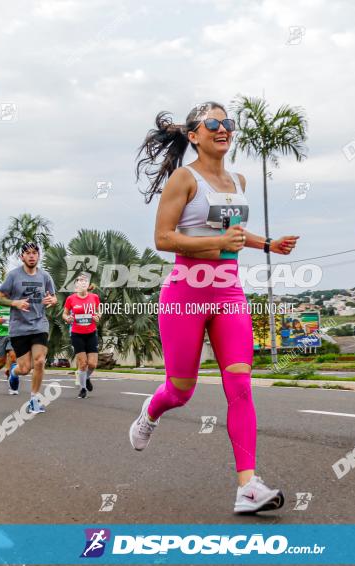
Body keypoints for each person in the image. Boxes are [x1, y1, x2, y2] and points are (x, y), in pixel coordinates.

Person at [129, 102, 299, 514]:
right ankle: (150, 413)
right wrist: (216, 245)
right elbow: (163, 239)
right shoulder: (183, 180)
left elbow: (232, 233)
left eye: (228, 123)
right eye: (213, 123)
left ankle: (248, 486)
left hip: (228, 294)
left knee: (240, 385)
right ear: (194, 135)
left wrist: (266, 244)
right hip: (185, 296)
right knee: (180, 391)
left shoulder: (238, 179)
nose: (223, 129)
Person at [0, 242, 58, 414]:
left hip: (39, 324)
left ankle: (34, 399)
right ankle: (14, 374)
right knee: (24, 369)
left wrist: (52, 301)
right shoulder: (13, 276)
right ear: (21, 257)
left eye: (34, 253)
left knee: (39, 361)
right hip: (19, 328)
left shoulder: (45, 276)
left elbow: (53, 298)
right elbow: (0, 299)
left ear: (39, 256)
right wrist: (15, 302)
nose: (31, 256)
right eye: (28, 253)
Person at [62, 274, 101, 398]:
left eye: (84, 281)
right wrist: (67, 318)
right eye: (79, 281)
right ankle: (83, 388)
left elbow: (99, 311)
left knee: (93, 364)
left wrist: (98, 316)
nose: (81, 283)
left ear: (88, 285)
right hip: (77, 334)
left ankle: (86, 378)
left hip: (91, 333)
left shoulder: (94, 297)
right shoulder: (71, 299)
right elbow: (65, 314)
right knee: (83, 363)